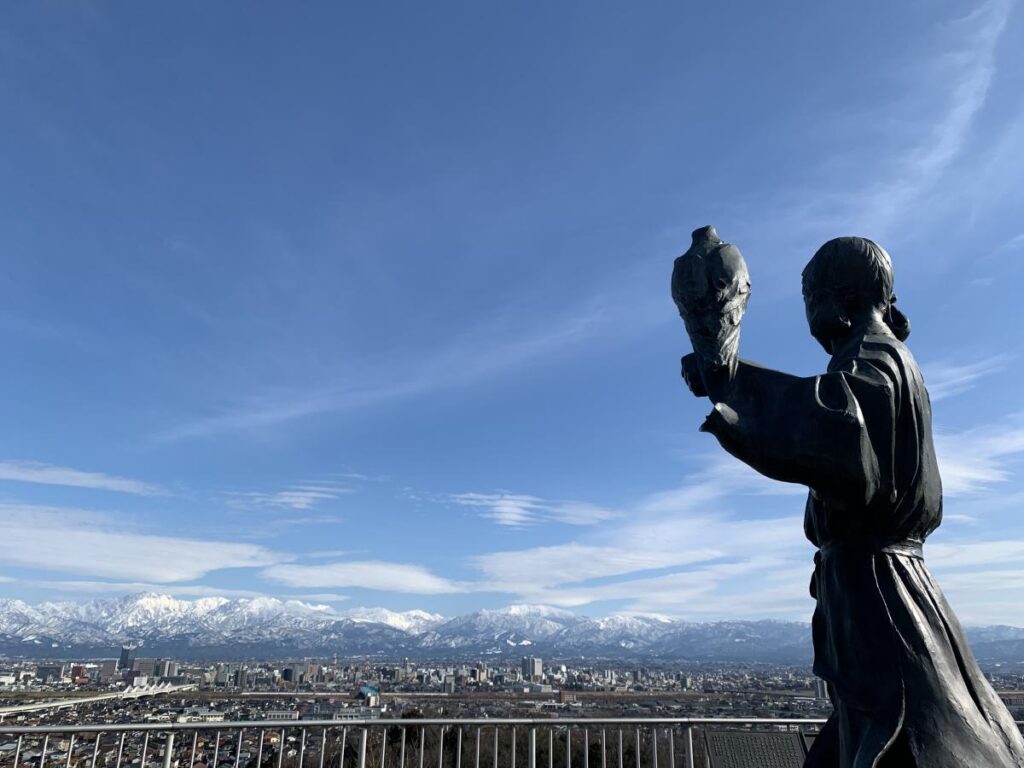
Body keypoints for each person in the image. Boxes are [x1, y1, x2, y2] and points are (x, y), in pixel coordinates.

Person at [681, 237, 1024, 767]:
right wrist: (728, 377)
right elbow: (825, 405)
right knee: (874, 724)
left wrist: (730, 379)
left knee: (900, 727)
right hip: (877, 583)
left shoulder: (874, 359)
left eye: (809, 297)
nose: (809, 315)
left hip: (879, 590)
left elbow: (834, 423)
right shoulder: (878, 359)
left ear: (836, 297)